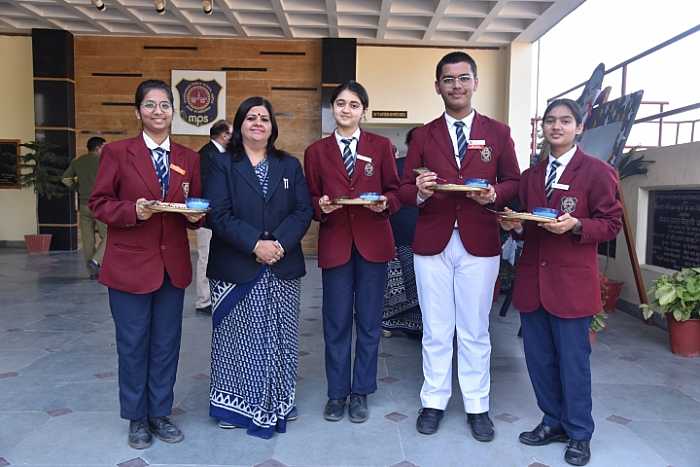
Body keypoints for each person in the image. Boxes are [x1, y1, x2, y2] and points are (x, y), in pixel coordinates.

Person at [398, 51, 520, 441]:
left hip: (479, 239)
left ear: (475, 83)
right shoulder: (423, 135)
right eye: (448, 79)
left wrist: (494, 194)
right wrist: (419, 191)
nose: (456, 85)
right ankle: (433, 401)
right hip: (432, 240)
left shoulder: (498, 132)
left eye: (463, 78)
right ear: (438, 87)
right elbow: (404, 189)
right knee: (436, 328)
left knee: (474, 329)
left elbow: (514, 181)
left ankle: (477, 406)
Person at [499, 99, 622, 466]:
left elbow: (611, 224)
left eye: (565, 121)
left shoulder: (597, 172)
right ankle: (552, 421)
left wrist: (578, 224)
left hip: (571, 286)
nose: (556, 127)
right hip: (533, 283)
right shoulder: (531, 176)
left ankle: (579, 433)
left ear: (579, 127)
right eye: (550, 120)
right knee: (539, 361)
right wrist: (515, 226)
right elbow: (527, 225)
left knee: (573, 363)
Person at [89, 79, 204, 450]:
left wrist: (195, 217)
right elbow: (99, 203)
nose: (158, 111)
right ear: (138, 111)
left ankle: (160, 413)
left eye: (165, 105)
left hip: (172, 266)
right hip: (129, 267)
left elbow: (196, 205)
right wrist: (132, 210)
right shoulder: (117, 153)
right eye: (150, 105)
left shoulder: (188, 158)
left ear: (173, 111)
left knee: (167, 344)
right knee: (133, 344)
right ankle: (137, 417)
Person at [205, 96, 312, 439]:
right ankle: (233, 407)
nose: (258, 123)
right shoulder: (222, 164)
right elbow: (217, 213)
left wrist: (278, 244)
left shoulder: (289, 165)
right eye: (251, 117)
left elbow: (303, 211)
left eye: (264, 118)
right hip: (236, 265)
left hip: (282, 264)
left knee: (281, 338)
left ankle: (280, 400)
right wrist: (255, 244)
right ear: (239, 125)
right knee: (237, 339)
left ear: (272, 127)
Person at [304, 80, 401, 424]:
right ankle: (336, 393)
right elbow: (309, 198)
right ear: (332, 108)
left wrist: (385, 203)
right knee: (336, 322)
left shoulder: (381, 146)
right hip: (336, 243)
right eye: (341, 103)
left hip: (373, 242)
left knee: (370, 322)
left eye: (354, 104)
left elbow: (395, 191)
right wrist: (320, 206)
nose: (346, 109)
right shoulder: (316, 151)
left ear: (364, 111)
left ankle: (361, 391)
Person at [383, 127, 422, 335]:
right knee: (418, 284)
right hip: (413, 236)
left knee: (399, 283)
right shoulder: (432, 171)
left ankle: (391, 323)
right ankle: (417, 326)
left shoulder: (395, 166)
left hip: (398, 234)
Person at [195, 119, 232, 314]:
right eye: (232, 134)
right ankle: (204, 301)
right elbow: (206, 189)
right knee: (206, 257)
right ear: (224, 135)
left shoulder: (218, 154)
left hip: (218, 217)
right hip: (208, 217)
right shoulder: (207, 155)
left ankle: (215, 298)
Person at [62, 136, 107, 279]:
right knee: (111, 235)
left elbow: (65, 179)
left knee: (88, 240)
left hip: (84, 205)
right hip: (100, 205)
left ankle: (93, 273)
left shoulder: (77, 161)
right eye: (104, 147)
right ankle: (96, 260)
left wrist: (78, 188)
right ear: (98, 148)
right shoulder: (105, 161)